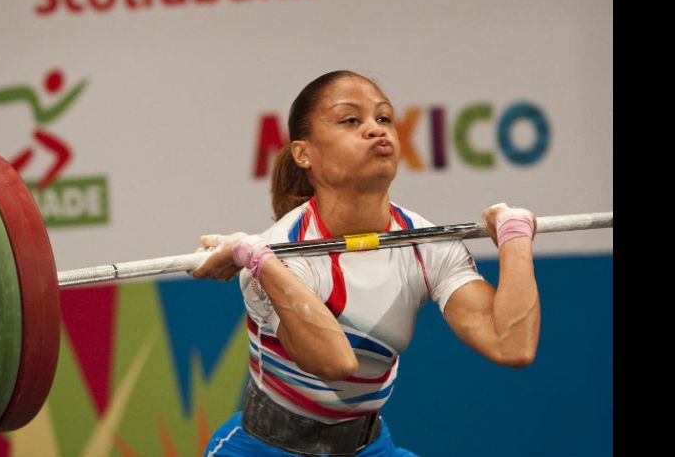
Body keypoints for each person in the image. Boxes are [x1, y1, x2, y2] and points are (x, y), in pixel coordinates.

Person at [192, 70, 540, 456]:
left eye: (384, 118)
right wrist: (258, 260)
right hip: (262, 450)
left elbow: (512, 346)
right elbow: (336, 361)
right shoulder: (281, 253)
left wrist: (515, 238)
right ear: (304, 153)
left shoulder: (426, 243)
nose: (376, 130)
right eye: (351, 120)